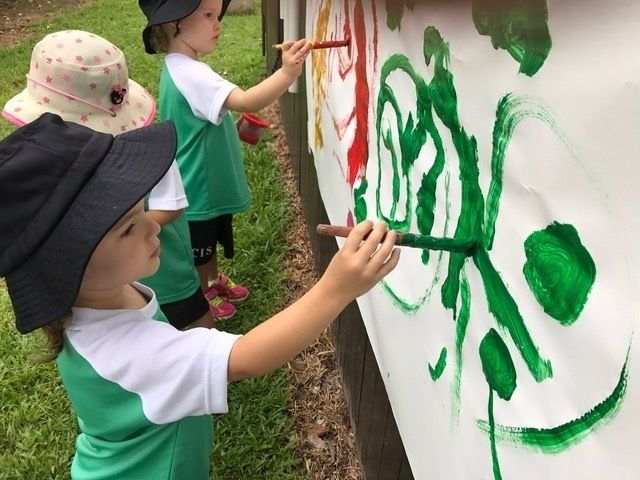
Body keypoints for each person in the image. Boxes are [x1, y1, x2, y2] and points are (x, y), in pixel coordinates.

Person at [0, 113, 399, 479]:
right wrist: (335, 289)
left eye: (142, 210)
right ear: (67, 267)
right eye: (128, 228)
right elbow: (247, 358)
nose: (153, 227)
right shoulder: (129, 353)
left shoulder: (93, 298)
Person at [2, 30, 216, 329]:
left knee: (188, 315)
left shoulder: (149, 152)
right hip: (105, 280)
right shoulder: (58, 166)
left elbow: (170, 208)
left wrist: (116, 230)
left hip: (163, 264)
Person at [139, 0, 313, 319]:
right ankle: (204, 290)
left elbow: (200, 117)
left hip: (197, 177)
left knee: (209, 239)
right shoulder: (193, 73)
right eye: (207, 15)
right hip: (198, 184)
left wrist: (230, 127)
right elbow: (246, 100)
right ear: (176, 23)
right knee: (201, 246)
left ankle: (212, 280)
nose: (217, 23)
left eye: (216, 15)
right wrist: (288, 72)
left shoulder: (177, 65)